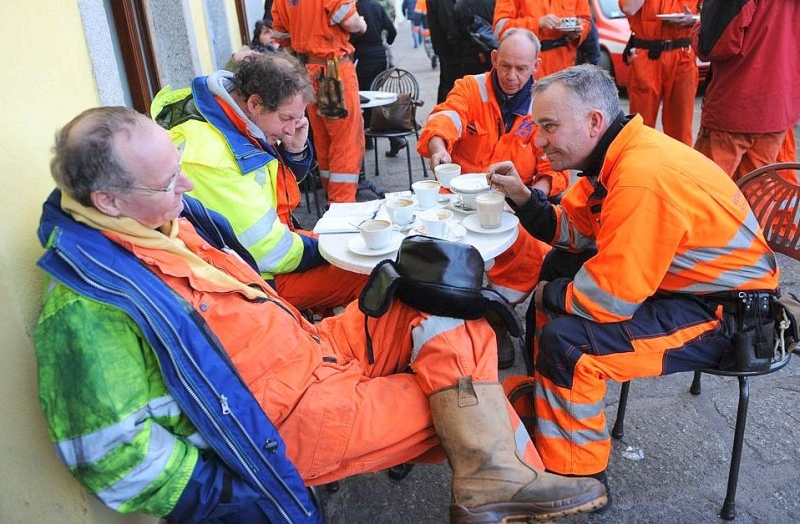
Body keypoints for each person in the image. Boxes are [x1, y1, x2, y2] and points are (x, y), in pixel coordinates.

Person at [34, 106, 608, 522]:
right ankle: (499, 478)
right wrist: (238, 494)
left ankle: (495, 479)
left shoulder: (158, 222)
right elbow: (110, 456)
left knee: (441, 301)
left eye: (178, 166)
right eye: (166, 181)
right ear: (107, 201)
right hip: (291, 417)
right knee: (473, 406)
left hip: (314, 348)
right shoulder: (87, 305)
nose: (186, 183)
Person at [486, 64, 779, 494]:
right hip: (689, 288)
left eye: (549, 126)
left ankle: (579, 477)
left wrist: (548, 294)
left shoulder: (640, 177)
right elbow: (576, 230)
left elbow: (609, 299)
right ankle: (552, 412)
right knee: (556, 272)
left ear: (593, 122)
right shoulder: (615, 154)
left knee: (570, 345)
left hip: (730, 316)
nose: (538, 139)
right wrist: (524, 199)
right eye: (537, 125)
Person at [154, 54, 367, 313]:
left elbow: (270, 189)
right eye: (286, 118)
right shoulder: (210, 154)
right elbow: (269, 252)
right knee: (365, 272)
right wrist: (333, 248)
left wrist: (295, 152)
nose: (291, 129)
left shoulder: (229, 114)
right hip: (244, 279)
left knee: (353, 254)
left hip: (253, 254)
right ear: (255, 103)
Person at [418, 29, 570, 368]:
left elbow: (552, 167)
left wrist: (534, 199)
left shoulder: (542, 106)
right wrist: (439, 147)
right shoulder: (471, 87)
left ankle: (496, 317)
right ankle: (447, 323)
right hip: (457, 198)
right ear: (493, 60)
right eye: (505, 66)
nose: (512, 76)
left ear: (536, 66)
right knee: (439, 251)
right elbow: (446, 116)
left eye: (521, 68)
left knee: (535, 252)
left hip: (511, 202)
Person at [693, 0, 800, 180]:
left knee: (708, 196)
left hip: (734, 111)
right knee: (757, 198)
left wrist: (696, 28)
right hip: (779, 110)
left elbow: (712, 45)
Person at [271, 0, 367, 203]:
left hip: (305, 72)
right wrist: (360, 25)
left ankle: (332, 204)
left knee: (323, 139)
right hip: (334, 70)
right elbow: (344, 14)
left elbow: (279, 33)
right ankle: (342, 208)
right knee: (346, 142)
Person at [617, 0, 718, 146]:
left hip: (682, 56)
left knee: (680, 130)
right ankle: (640, 172)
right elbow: (629, 7)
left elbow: (714, 11)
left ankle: (676, 174)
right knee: (640, 128)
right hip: (646, 56)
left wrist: (694, 18)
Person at [351, 0, 403, 157]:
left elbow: (351, 40)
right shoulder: (376, 5)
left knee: (365, 100)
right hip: (381, 58)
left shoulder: (353, 11)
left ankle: (386, 138)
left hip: (363, 60)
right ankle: (381, 139)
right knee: (375, 97)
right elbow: (392, 31)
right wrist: (384, 43)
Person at [452, 0, 497, 76]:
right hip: (493, 56)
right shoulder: (495, 0)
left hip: (468, 59)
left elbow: (454, 36)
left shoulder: (460, 4)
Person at [427, 0, 462, 103]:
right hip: (449, 49)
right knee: (449, 84)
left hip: (443, 47)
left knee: (445, 82)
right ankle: (446, 112)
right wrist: (456, 44)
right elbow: (448, 24)